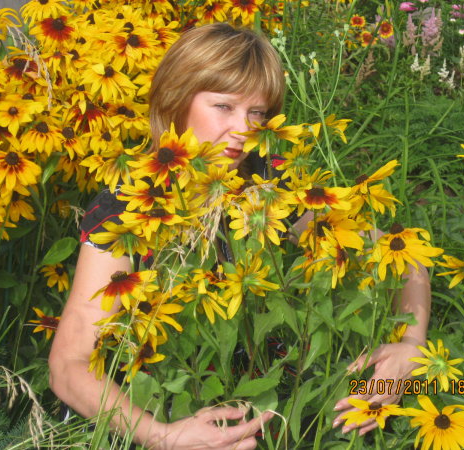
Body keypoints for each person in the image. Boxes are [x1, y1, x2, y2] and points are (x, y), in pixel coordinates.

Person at [48, 22, 431, 447]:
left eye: (257, 113)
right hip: (151, 414)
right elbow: (68, 364)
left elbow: (404, 254)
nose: (244, 130)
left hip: (265, 412)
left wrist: (411, 345)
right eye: (224, 106)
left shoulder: (267, 184)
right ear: (176, 98)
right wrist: (163, 437)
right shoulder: (127, 207)